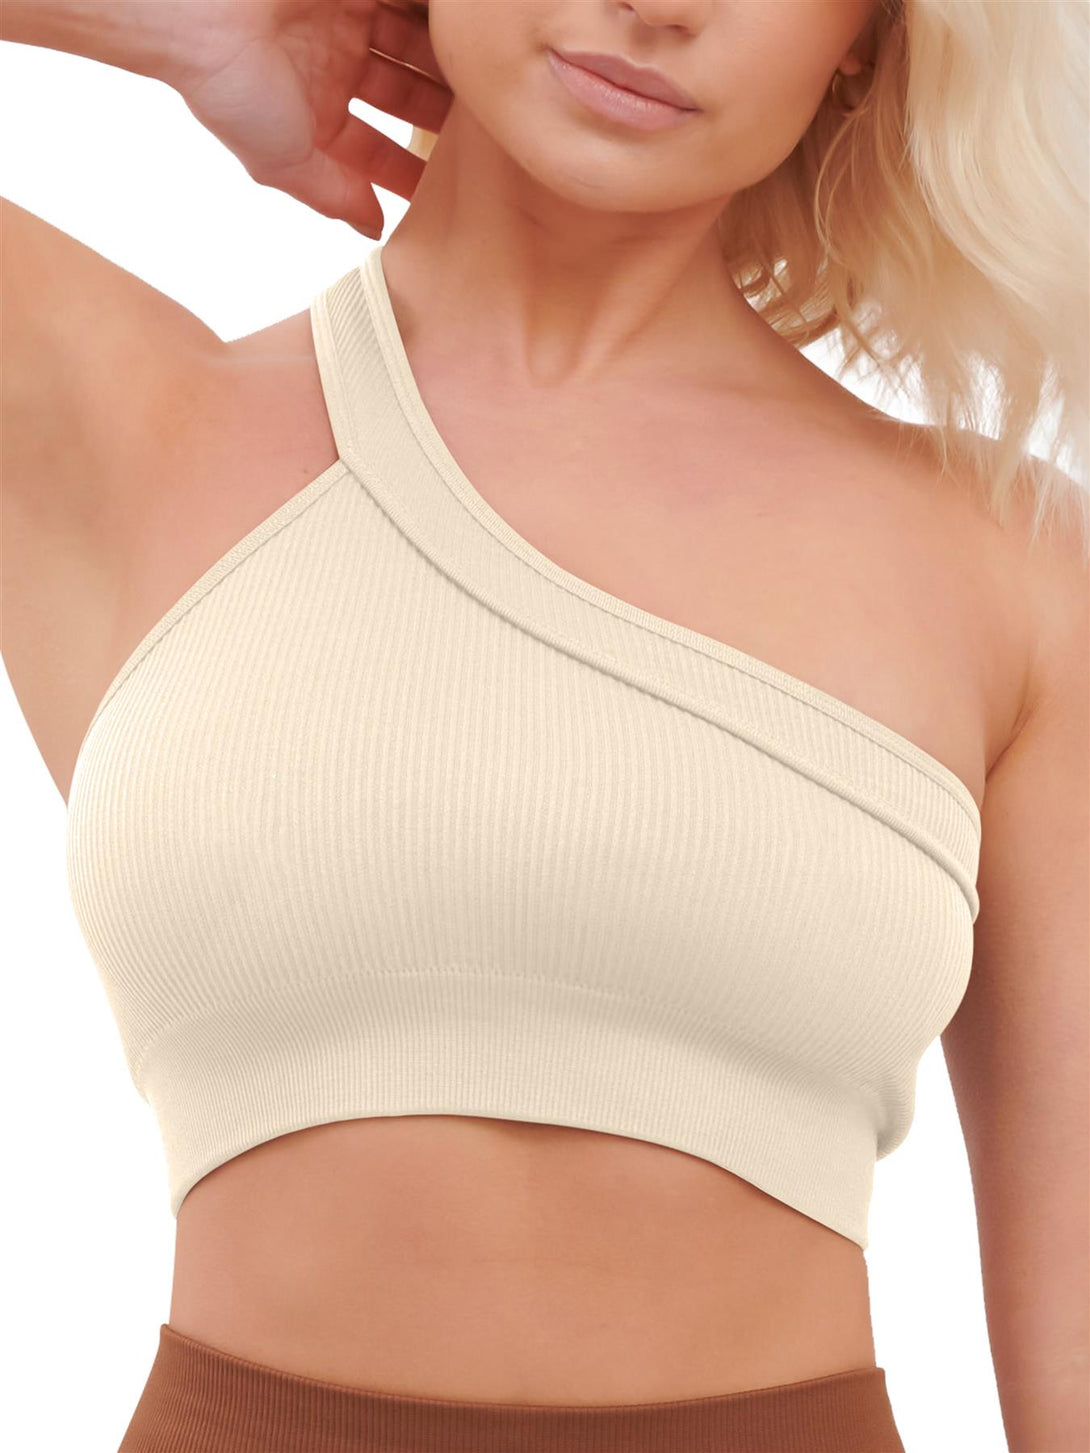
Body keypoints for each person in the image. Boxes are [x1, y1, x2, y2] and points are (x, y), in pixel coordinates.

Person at [3, 0, 1087, 1449]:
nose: (659, 7)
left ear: (865, 33)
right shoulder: (110, 422)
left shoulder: (1009, 568)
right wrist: (190, 30)